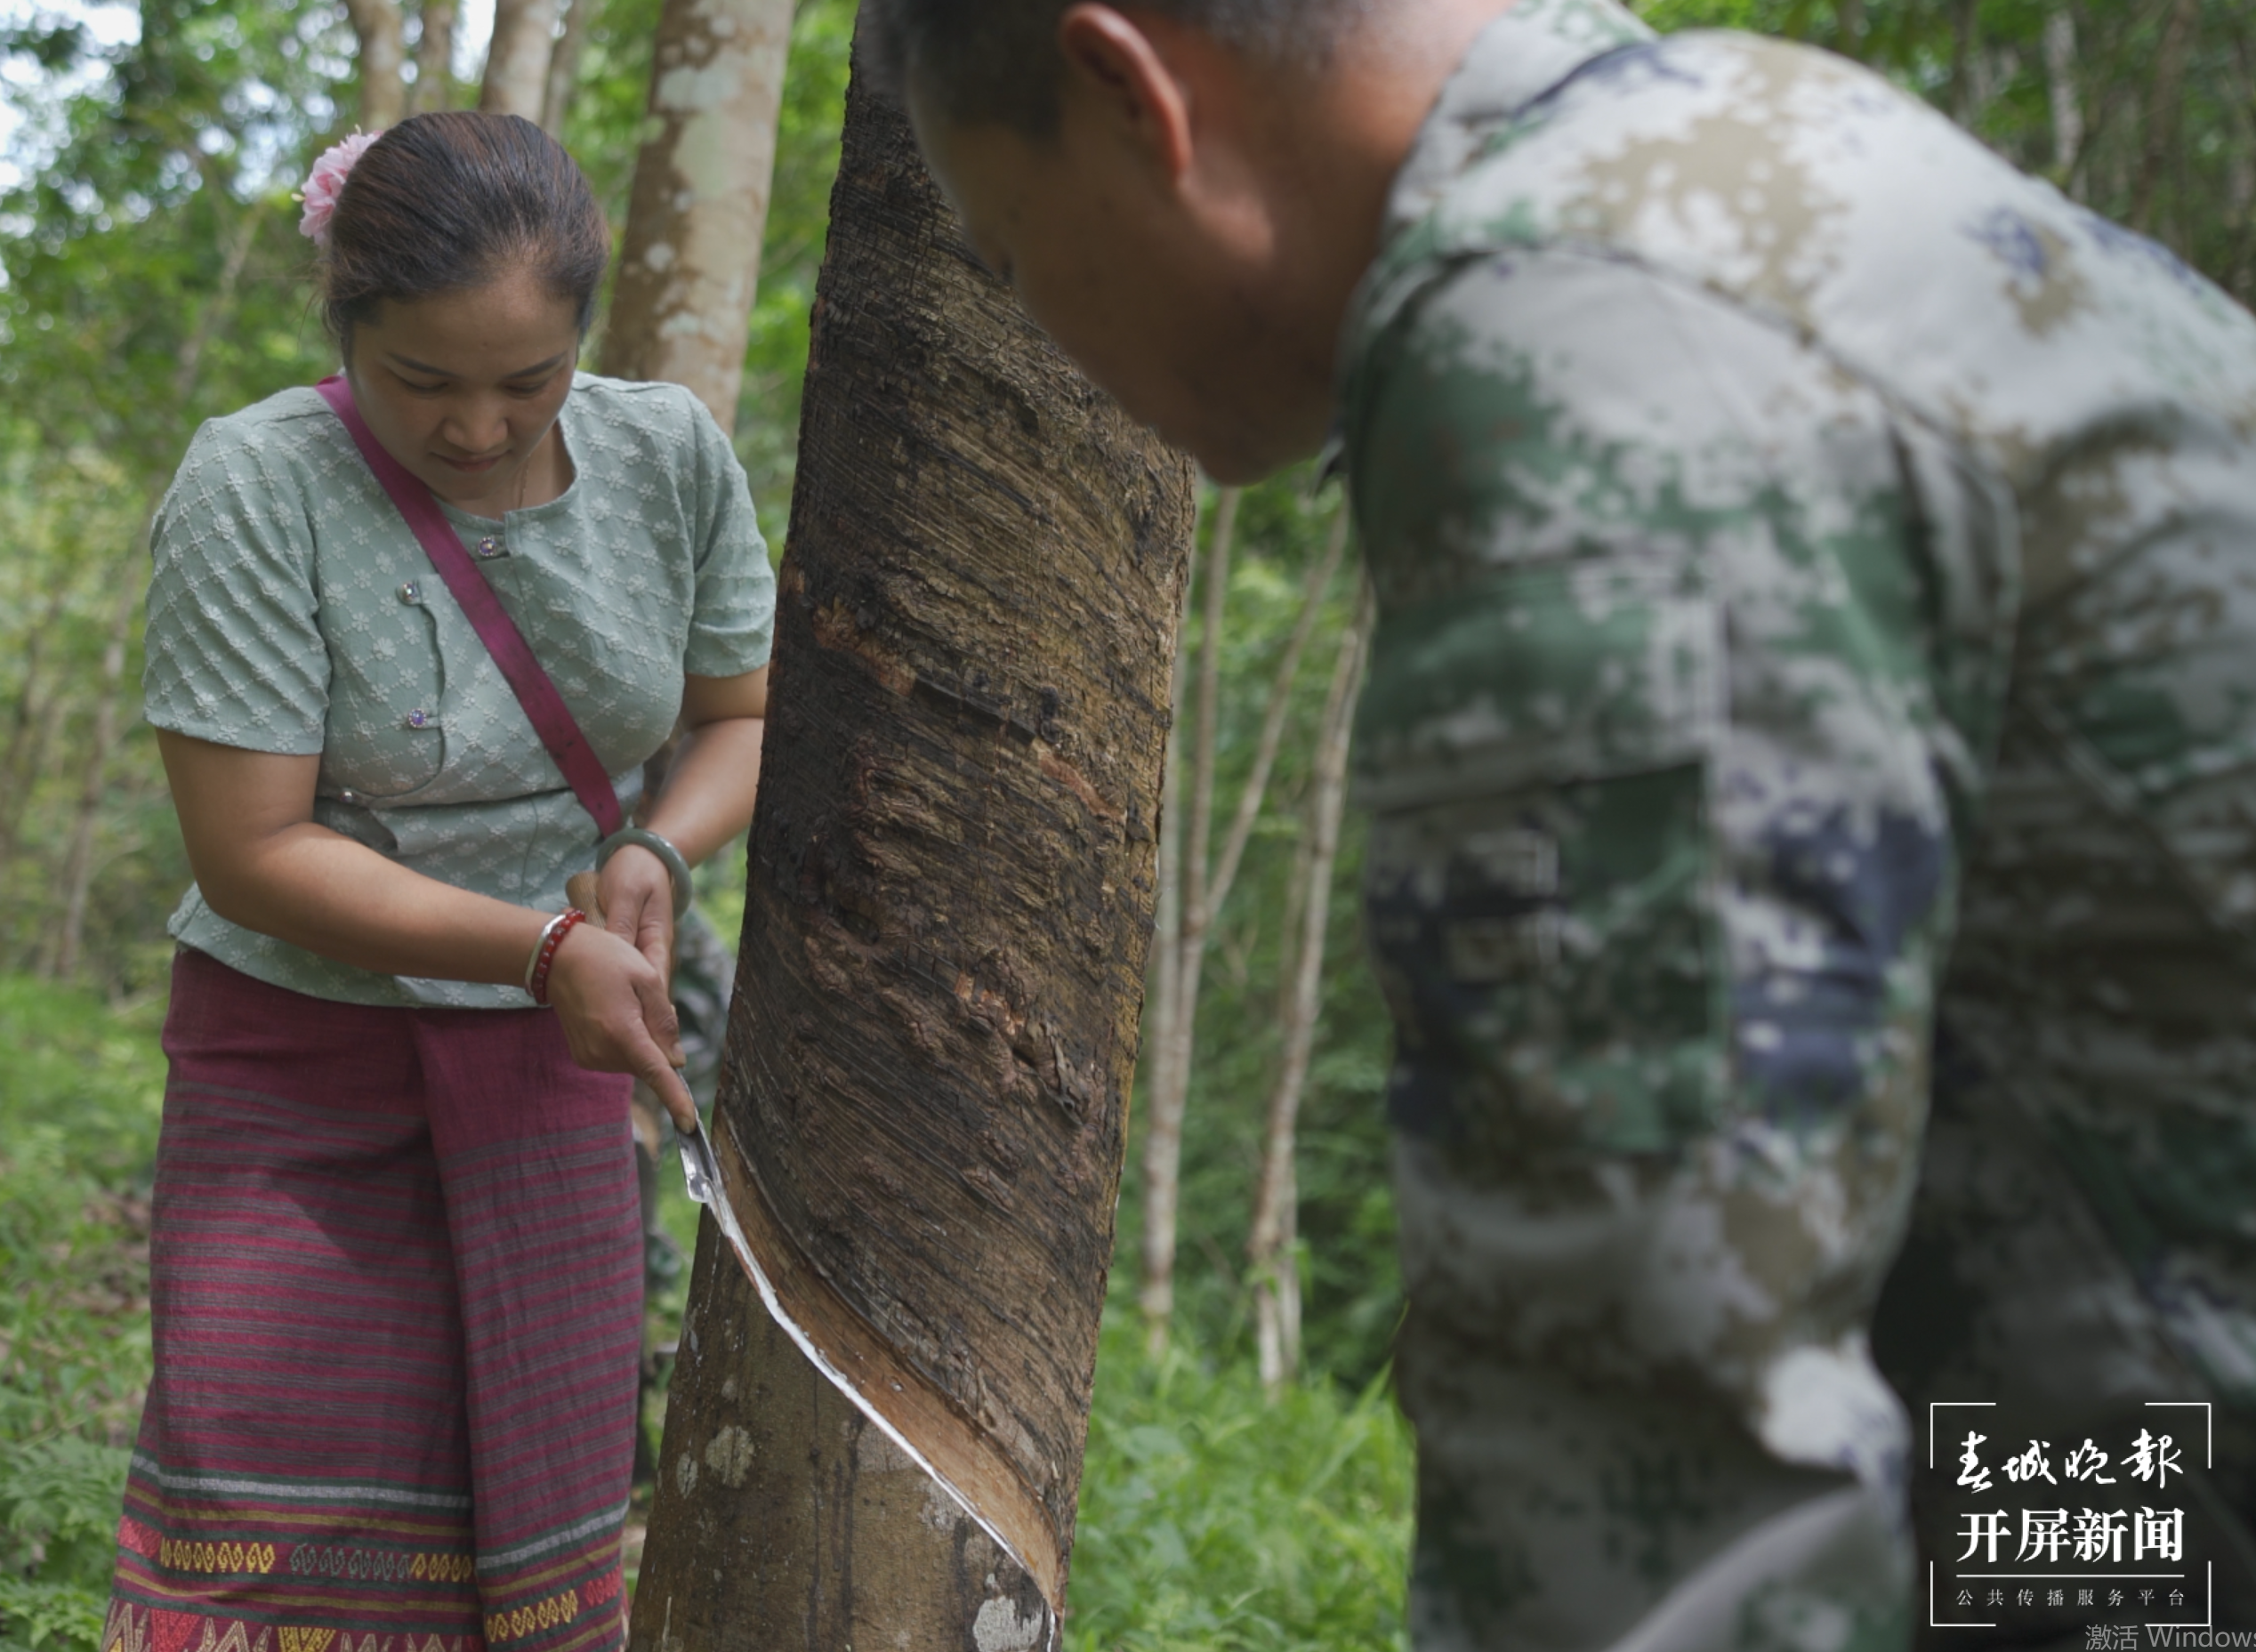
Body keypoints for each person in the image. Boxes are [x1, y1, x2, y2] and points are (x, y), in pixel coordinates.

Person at [872, 0, 2256, 1646]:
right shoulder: (1750, 163)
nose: (1047, 332)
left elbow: (1648, 1436)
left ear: (1129, 90)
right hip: (2123, 1473)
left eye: (1014, 258)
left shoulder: (1589, 348)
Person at [102, 110, 774, 1652]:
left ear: (582, 342)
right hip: (300, 1057)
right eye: (423, 383)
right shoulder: (256, 486)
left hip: (551, 1055)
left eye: (527, 383)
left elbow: (739, 714)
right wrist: (540, 946)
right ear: (346, 326)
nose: (478, 427)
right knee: (262, 1511)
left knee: (533, 1520)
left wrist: (653, 849)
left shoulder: (667, 458)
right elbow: (251, 849)